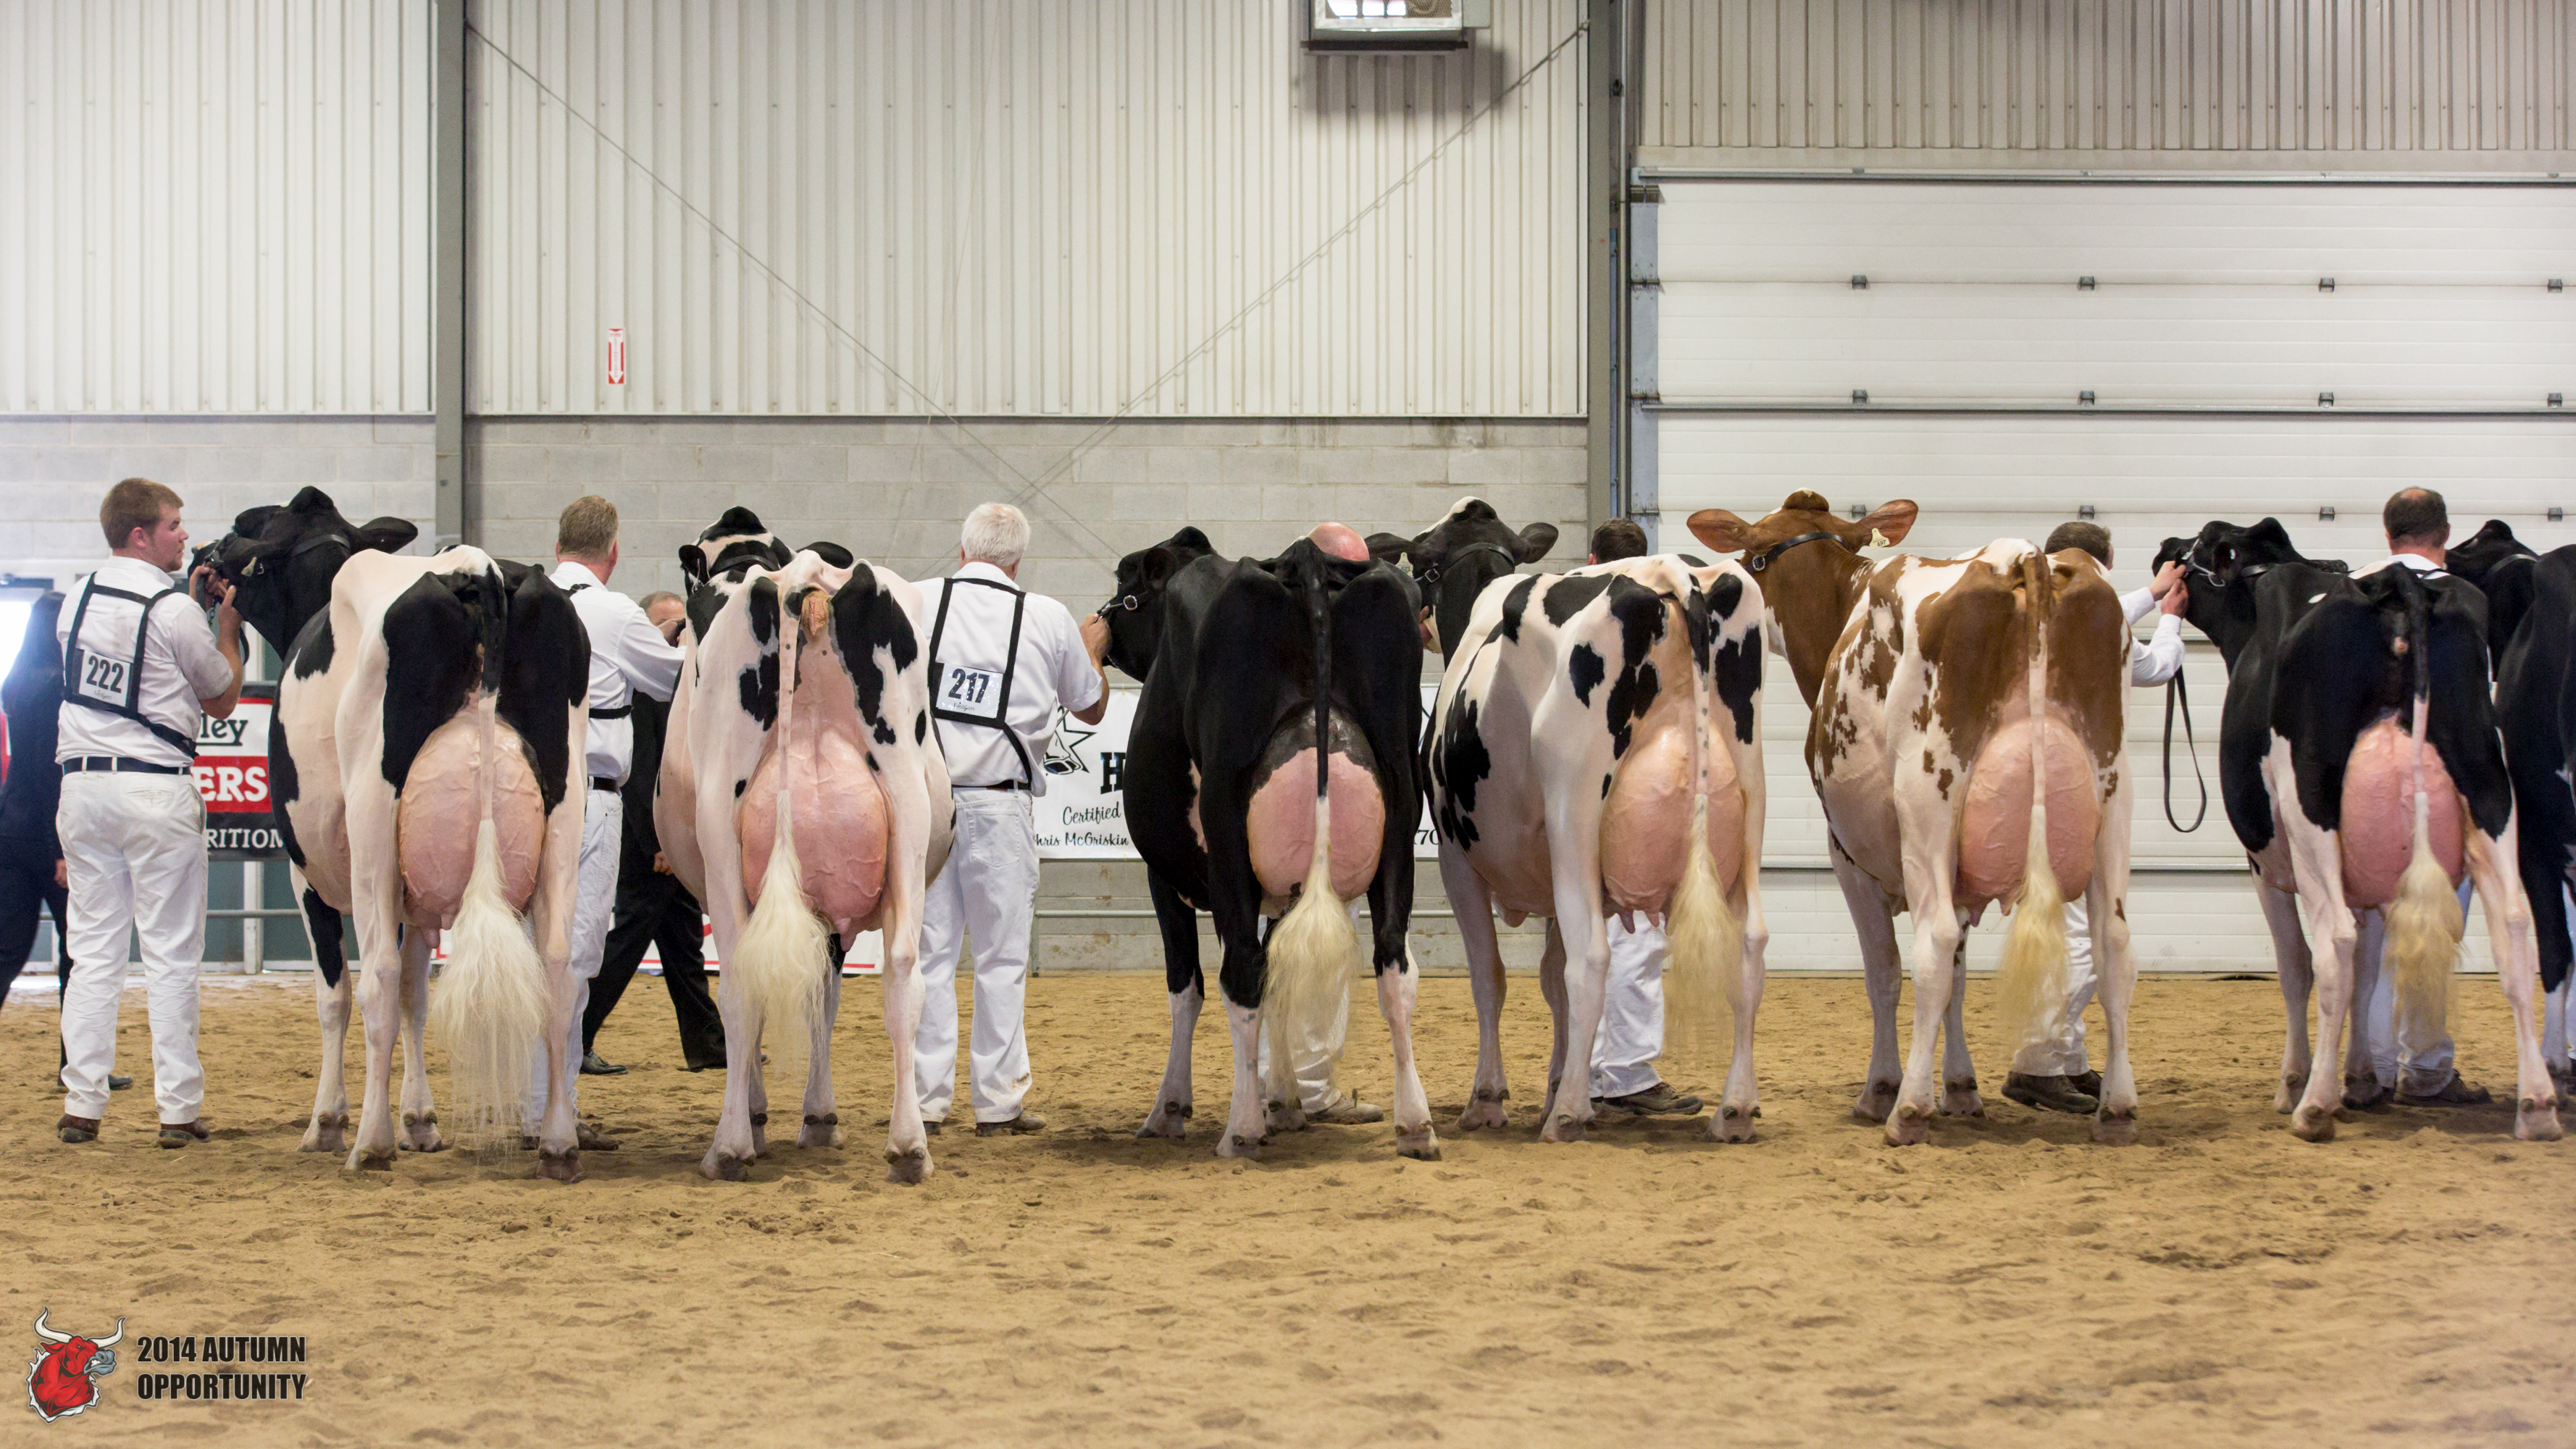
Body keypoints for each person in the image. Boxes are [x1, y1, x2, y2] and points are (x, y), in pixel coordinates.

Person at [54, 478, 244, 1147]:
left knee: (92, 951)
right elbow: (221, 698)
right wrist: (226, 628)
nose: (183, 534)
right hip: (154, 787)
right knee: (169, 953)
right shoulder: (173, 610)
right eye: (172, 525)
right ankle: (177, 1112)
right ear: (140, 536)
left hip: (82, 786)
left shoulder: (76, 598)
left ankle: (82, 1105)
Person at [912, 503, 1111, 1136]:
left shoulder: (916, 601)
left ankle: (924, 1104)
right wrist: (1092, 651)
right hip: (1000, 804)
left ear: (962, 550)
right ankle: (997, 1104)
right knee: (1001, 959)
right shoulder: (1047, 616)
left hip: (926, 804)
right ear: (1018, 562)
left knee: (929, 956)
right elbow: (1091, 708)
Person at [2004, 521, 2190, 1114]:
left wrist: (2150, 595)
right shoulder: (2095, 616)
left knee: (2057, 921)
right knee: (2082, 931)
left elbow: (2093, 613)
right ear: (2104, 561)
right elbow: (2154, 666)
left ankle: (2066, 1058)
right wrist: (2170, 616)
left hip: (2018, 779)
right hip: (2073, 784)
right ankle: (2036, 1064)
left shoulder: (2021, 605)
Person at [527, 497, 685, 1137]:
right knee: (575, 955)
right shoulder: (615, 612)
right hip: (587, 800)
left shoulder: (525, 600)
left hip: (517, 798)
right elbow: (673, 681)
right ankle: (553, 1110)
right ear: (613, 552)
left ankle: (530, 1105)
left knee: (529, 953)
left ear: (558, 545)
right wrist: (689, 640)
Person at [2351, 487, 2490, 1106]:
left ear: (2388, 536)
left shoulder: (2350, 594)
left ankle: (2372, 1069)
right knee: (2430, 927)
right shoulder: (2465, 600)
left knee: (2370, 939)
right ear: (2446, 535)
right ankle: (2427, 1068)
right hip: (2441, 781)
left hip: (2359, 784)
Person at [1582, 518, 1705, 1119]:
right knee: (1636, 928)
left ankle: (1587, 1071)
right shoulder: (1660, 611)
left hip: (1579, 786)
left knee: (1587, 934)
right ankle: (1625, 1073)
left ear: (1592, 559)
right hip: (1636, 782)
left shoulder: (1578, 608)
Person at [580, 590, 725, 1073]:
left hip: (673, 841)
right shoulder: (641, 688)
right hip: (649, 844)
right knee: (625, 944)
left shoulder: (679, 688)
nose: (679, 632)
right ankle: (576, 1035)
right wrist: (659, 843)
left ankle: (708, 1044)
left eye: (684, 623)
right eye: (668, 624)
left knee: (684, 944)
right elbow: (641, 771)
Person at [2, 590, 132, 1090]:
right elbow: (48, 772)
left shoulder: (17, 682)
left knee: (7, 952)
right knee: (78, 955)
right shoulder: (58, 687)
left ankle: (75, 1066)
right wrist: (59, 851)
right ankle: (75, 1066)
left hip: (11, 829)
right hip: (48, 836)